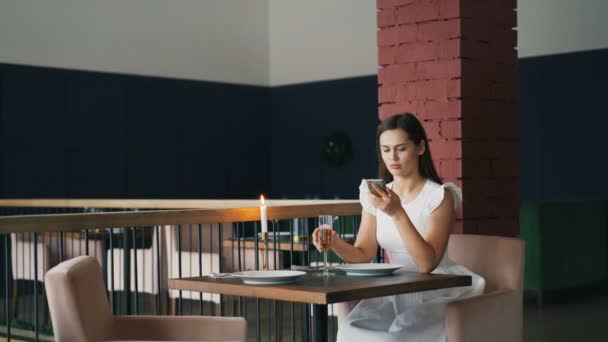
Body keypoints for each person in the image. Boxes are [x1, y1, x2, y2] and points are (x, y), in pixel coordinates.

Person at [312, 113, 485, 342]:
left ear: (420, 147)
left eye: (401, 148)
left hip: (436, 288)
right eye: (385, 149)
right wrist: (334, 242)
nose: (392, 157)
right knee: (350, 330)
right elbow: (363, 254)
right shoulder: (374, 194)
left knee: (396, 337)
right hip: (393, 287)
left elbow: (426, 263)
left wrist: (397, 212)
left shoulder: (440, 196)